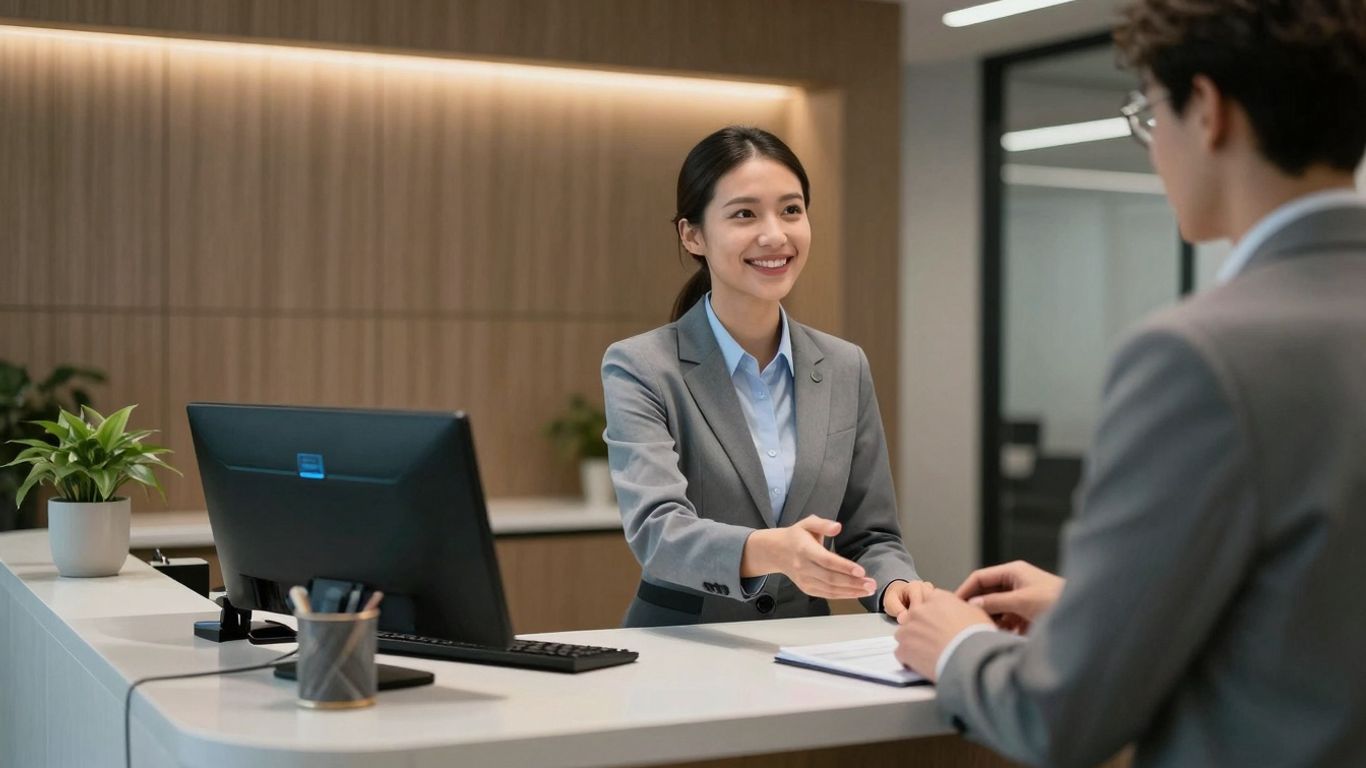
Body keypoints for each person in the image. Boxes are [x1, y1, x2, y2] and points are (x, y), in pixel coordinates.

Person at [893, 1, 1366, 766]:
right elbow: (1313, 613)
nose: (1153, 149)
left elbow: (1058, 718)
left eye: (1150, 115)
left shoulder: (1196, 356)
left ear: (1207, 110)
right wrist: (1094, 610)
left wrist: (956, 647)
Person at [602, 126, 931, 627]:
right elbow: (658, 533)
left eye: (791, 210)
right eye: (744, 214)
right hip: (682, 650)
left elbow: (872, 536)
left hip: (805, 650)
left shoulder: (845, 366)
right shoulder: (641, 366)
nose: (775, 235)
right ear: (692, 235)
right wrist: (772, 550)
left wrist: (895, 586)